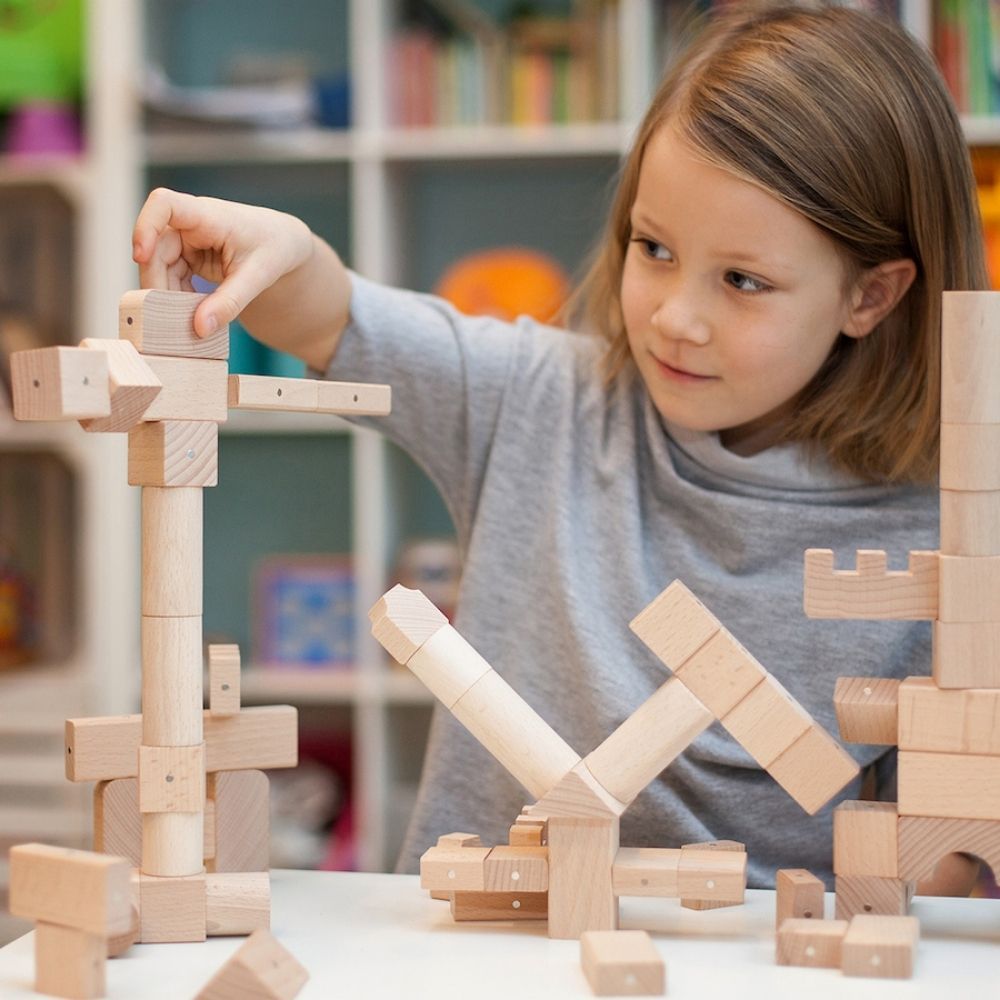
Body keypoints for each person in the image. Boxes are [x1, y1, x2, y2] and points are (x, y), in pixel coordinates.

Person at [132, 1, 987, 893]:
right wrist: (285, 250)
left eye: (743, 280)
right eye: (652, 248)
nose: (675, 317)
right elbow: (337, 316)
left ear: (872, 297)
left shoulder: (947, 539)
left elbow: (939, 882)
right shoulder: (540, 400)